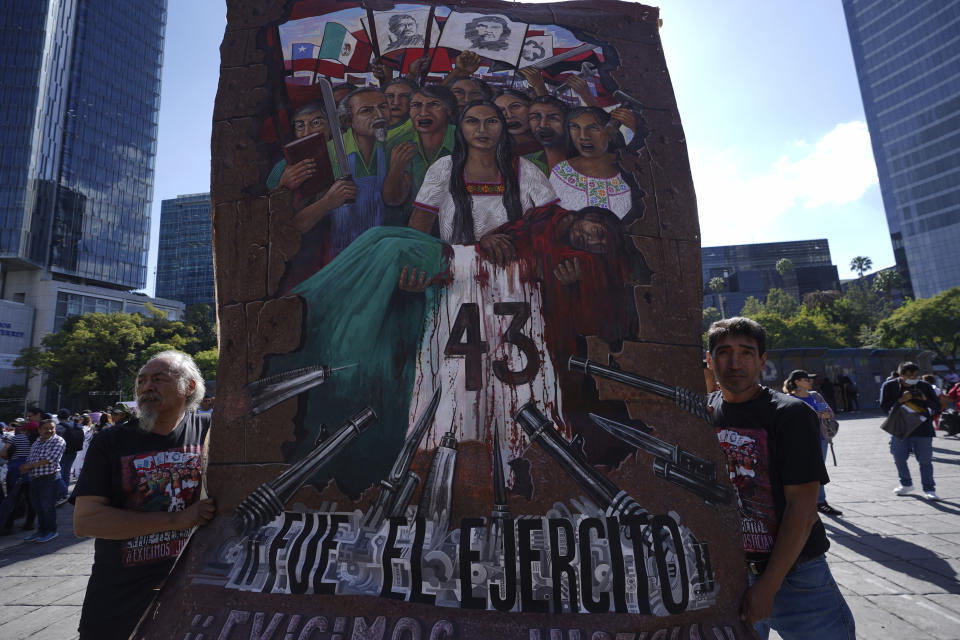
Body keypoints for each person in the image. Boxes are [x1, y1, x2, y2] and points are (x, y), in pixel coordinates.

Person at [706, 317, 854, 639]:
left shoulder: (791, 414)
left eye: (746, 353)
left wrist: (768, 586)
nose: (734, 362)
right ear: (709, 359)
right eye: (723, 352)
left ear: (762, 361)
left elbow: (802, 511)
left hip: (795, 577)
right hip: (727, 573)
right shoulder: (705, 412)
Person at [73, 351, 215, 640]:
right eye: (142, 381)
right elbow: (86, 521)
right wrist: (178, 519)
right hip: (120, 600)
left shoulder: (211, 434)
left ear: (188, 387)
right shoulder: (109, 442)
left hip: (195, 594)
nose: (146, 387)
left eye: (158, 379)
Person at [409, 100, 557, 254]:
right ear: (460, 128)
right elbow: (420, 227)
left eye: (491, 121)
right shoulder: (444, 168)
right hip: (459, 268)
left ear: (502, 127)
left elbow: (551, 222)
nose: (482, 129)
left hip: (517, 266)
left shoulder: (525, 169)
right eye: (472, 121)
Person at [550, 106, 644, 224]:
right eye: (575, 127)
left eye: (594, 128)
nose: (583, 136)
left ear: (610, 133)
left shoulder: (631, 169)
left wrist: (637, 131)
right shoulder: (561, 172)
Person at [383, 85, 458, 229]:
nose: (423, 112)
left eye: (433, 105)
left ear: (449, 110)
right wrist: (395, 169)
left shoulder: (465, 141)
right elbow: (392, 200)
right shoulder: (398, 144)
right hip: (408, 229)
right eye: (416, 105)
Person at [783, 370, 842, 516]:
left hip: (820, 438)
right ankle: (801, 502)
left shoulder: (816, 395)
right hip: (799, 441)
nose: (810, 382)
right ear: (797, 382)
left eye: (811, 379)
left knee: (818, 470)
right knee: (802, 471)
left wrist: (826, 414)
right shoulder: (788, 399)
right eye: (807, 379)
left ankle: (820, 502)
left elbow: (830, 413)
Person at [879, 361, 941, 500]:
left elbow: (936, 407)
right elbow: (884, 407)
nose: (913, 378)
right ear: (900, 375)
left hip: (923, 428)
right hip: (899, 427)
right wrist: (900, 400)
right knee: (899, 457)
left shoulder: (925, 386)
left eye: (916, 375)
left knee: (925, 460)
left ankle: (929, 489)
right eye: (909, 376)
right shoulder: (889, 385)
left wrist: (925, 399)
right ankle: (906, 484)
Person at [20, 418, 65, 542]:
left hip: (50, 478)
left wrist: (28, 466)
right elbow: (30, 458)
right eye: (46, 428)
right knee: (38, 507)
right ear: (39, 430)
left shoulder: (58, 440)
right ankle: (41, 531)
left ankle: (51, 531)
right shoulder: (37, 442)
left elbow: (50, 459)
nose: (49, 430)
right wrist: (25, 467)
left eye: (52, 428)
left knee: (47, 507)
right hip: (35, 479)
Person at [527, 95, 569, 172]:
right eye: (535, 117)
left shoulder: (583, 159)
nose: (543, 125)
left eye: (553, 118)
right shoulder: (524, 161)